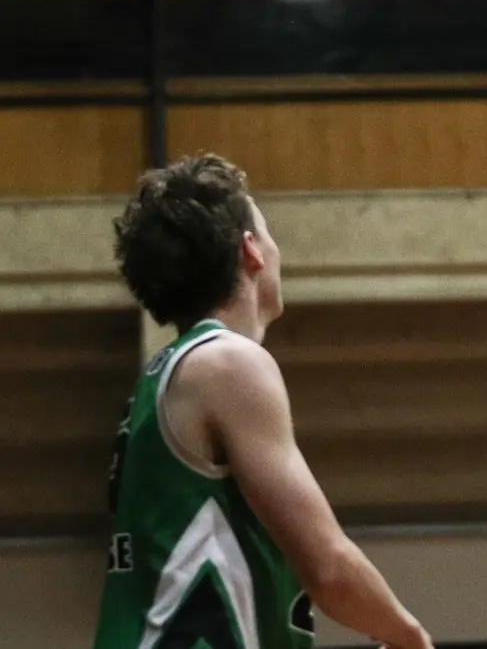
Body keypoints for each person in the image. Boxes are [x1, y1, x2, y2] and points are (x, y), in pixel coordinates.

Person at [93, 155, 432, 649]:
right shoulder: (228, 364)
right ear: (250, 250)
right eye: (269, 234)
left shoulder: (165, 377)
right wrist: (409, 637)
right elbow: (329, 567)